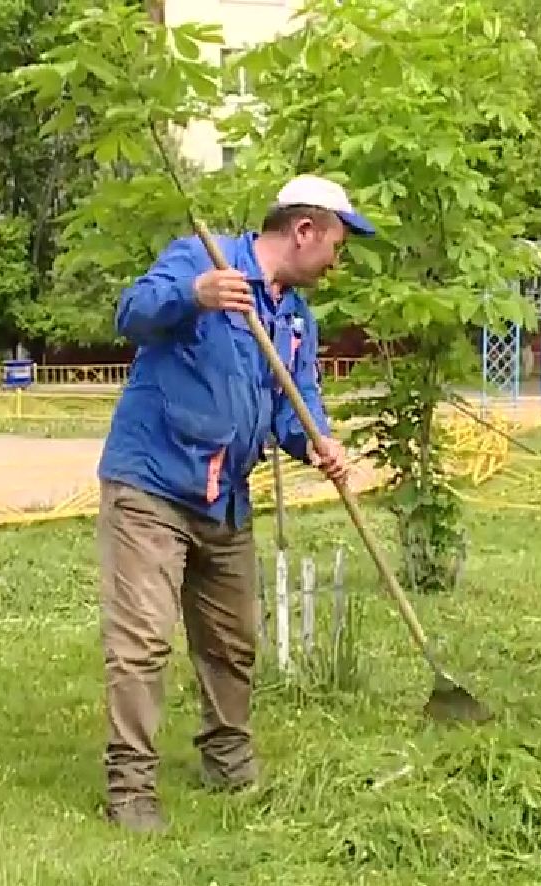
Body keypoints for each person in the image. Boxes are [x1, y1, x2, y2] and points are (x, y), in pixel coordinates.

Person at [94, 175, 372, 832]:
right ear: (304, 231)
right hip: (153, 484)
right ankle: (130, 789)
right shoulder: (205, 258)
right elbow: (129, 313)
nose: (338, 259)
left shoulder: (296, 319)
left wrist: (318, 443)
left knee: (231, 641)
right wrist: (194, 297)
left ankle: (228, 758)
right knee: (142, 640)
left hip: (226, 499)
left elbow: (292, 406)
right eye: (338, 242)